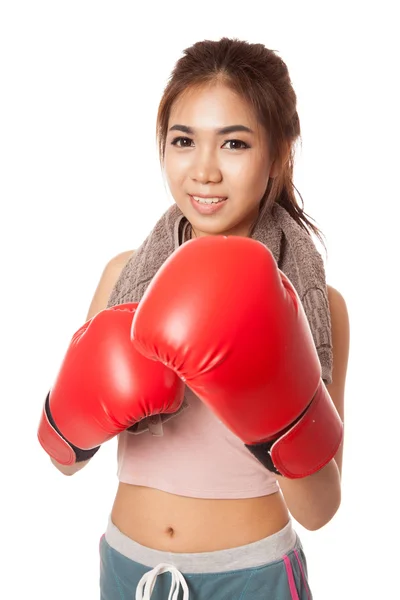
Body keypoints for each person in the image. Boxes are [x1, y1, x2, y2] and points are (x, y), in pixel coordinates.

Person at [38, 37, 350, 599]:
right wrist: (80, 415)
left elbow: (321, 508)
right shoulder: (123, 278)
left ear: (278, 154)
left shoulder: (315, 302)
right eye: (184, 141)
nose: (204, 171)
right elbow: (65, 461)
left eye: (233, 143)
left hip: (250, 578)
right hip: (128, 571)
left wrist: (274, 409)